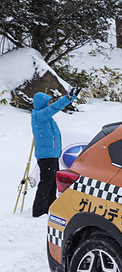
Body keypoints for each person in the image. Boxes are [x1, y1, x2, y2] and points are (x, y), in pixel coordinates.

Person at [30, 89, 77, 217]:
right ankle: (39, 211)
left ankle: (50, 206)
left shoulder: (46, 117)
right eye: (47, 102)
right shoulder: (39, 116)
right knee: (46, 182)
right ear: (42, 103)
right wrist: (67, 99)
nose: (49, 104)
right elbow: (54, 108)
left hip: (52, 154)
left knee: (52, 182)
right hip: (46, 156)